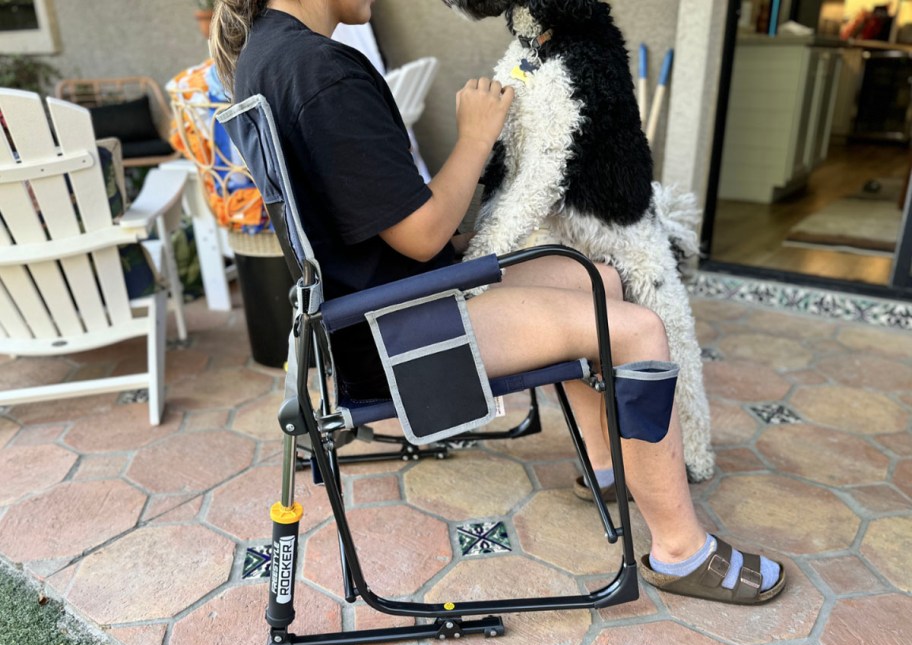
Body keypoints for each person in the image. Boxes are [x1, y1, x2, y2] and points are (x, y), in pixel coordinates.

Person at [209, 0, 785, 605]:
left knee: (601, 280)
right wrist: (477, 137)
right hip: (402, 334)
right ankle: (681, 549)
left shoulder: (268, 53)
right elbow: (423, 232)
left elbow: (378, 224)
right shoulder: (324, 71)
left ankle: (608, 463)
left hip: (378, 307)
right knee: (637, 329)